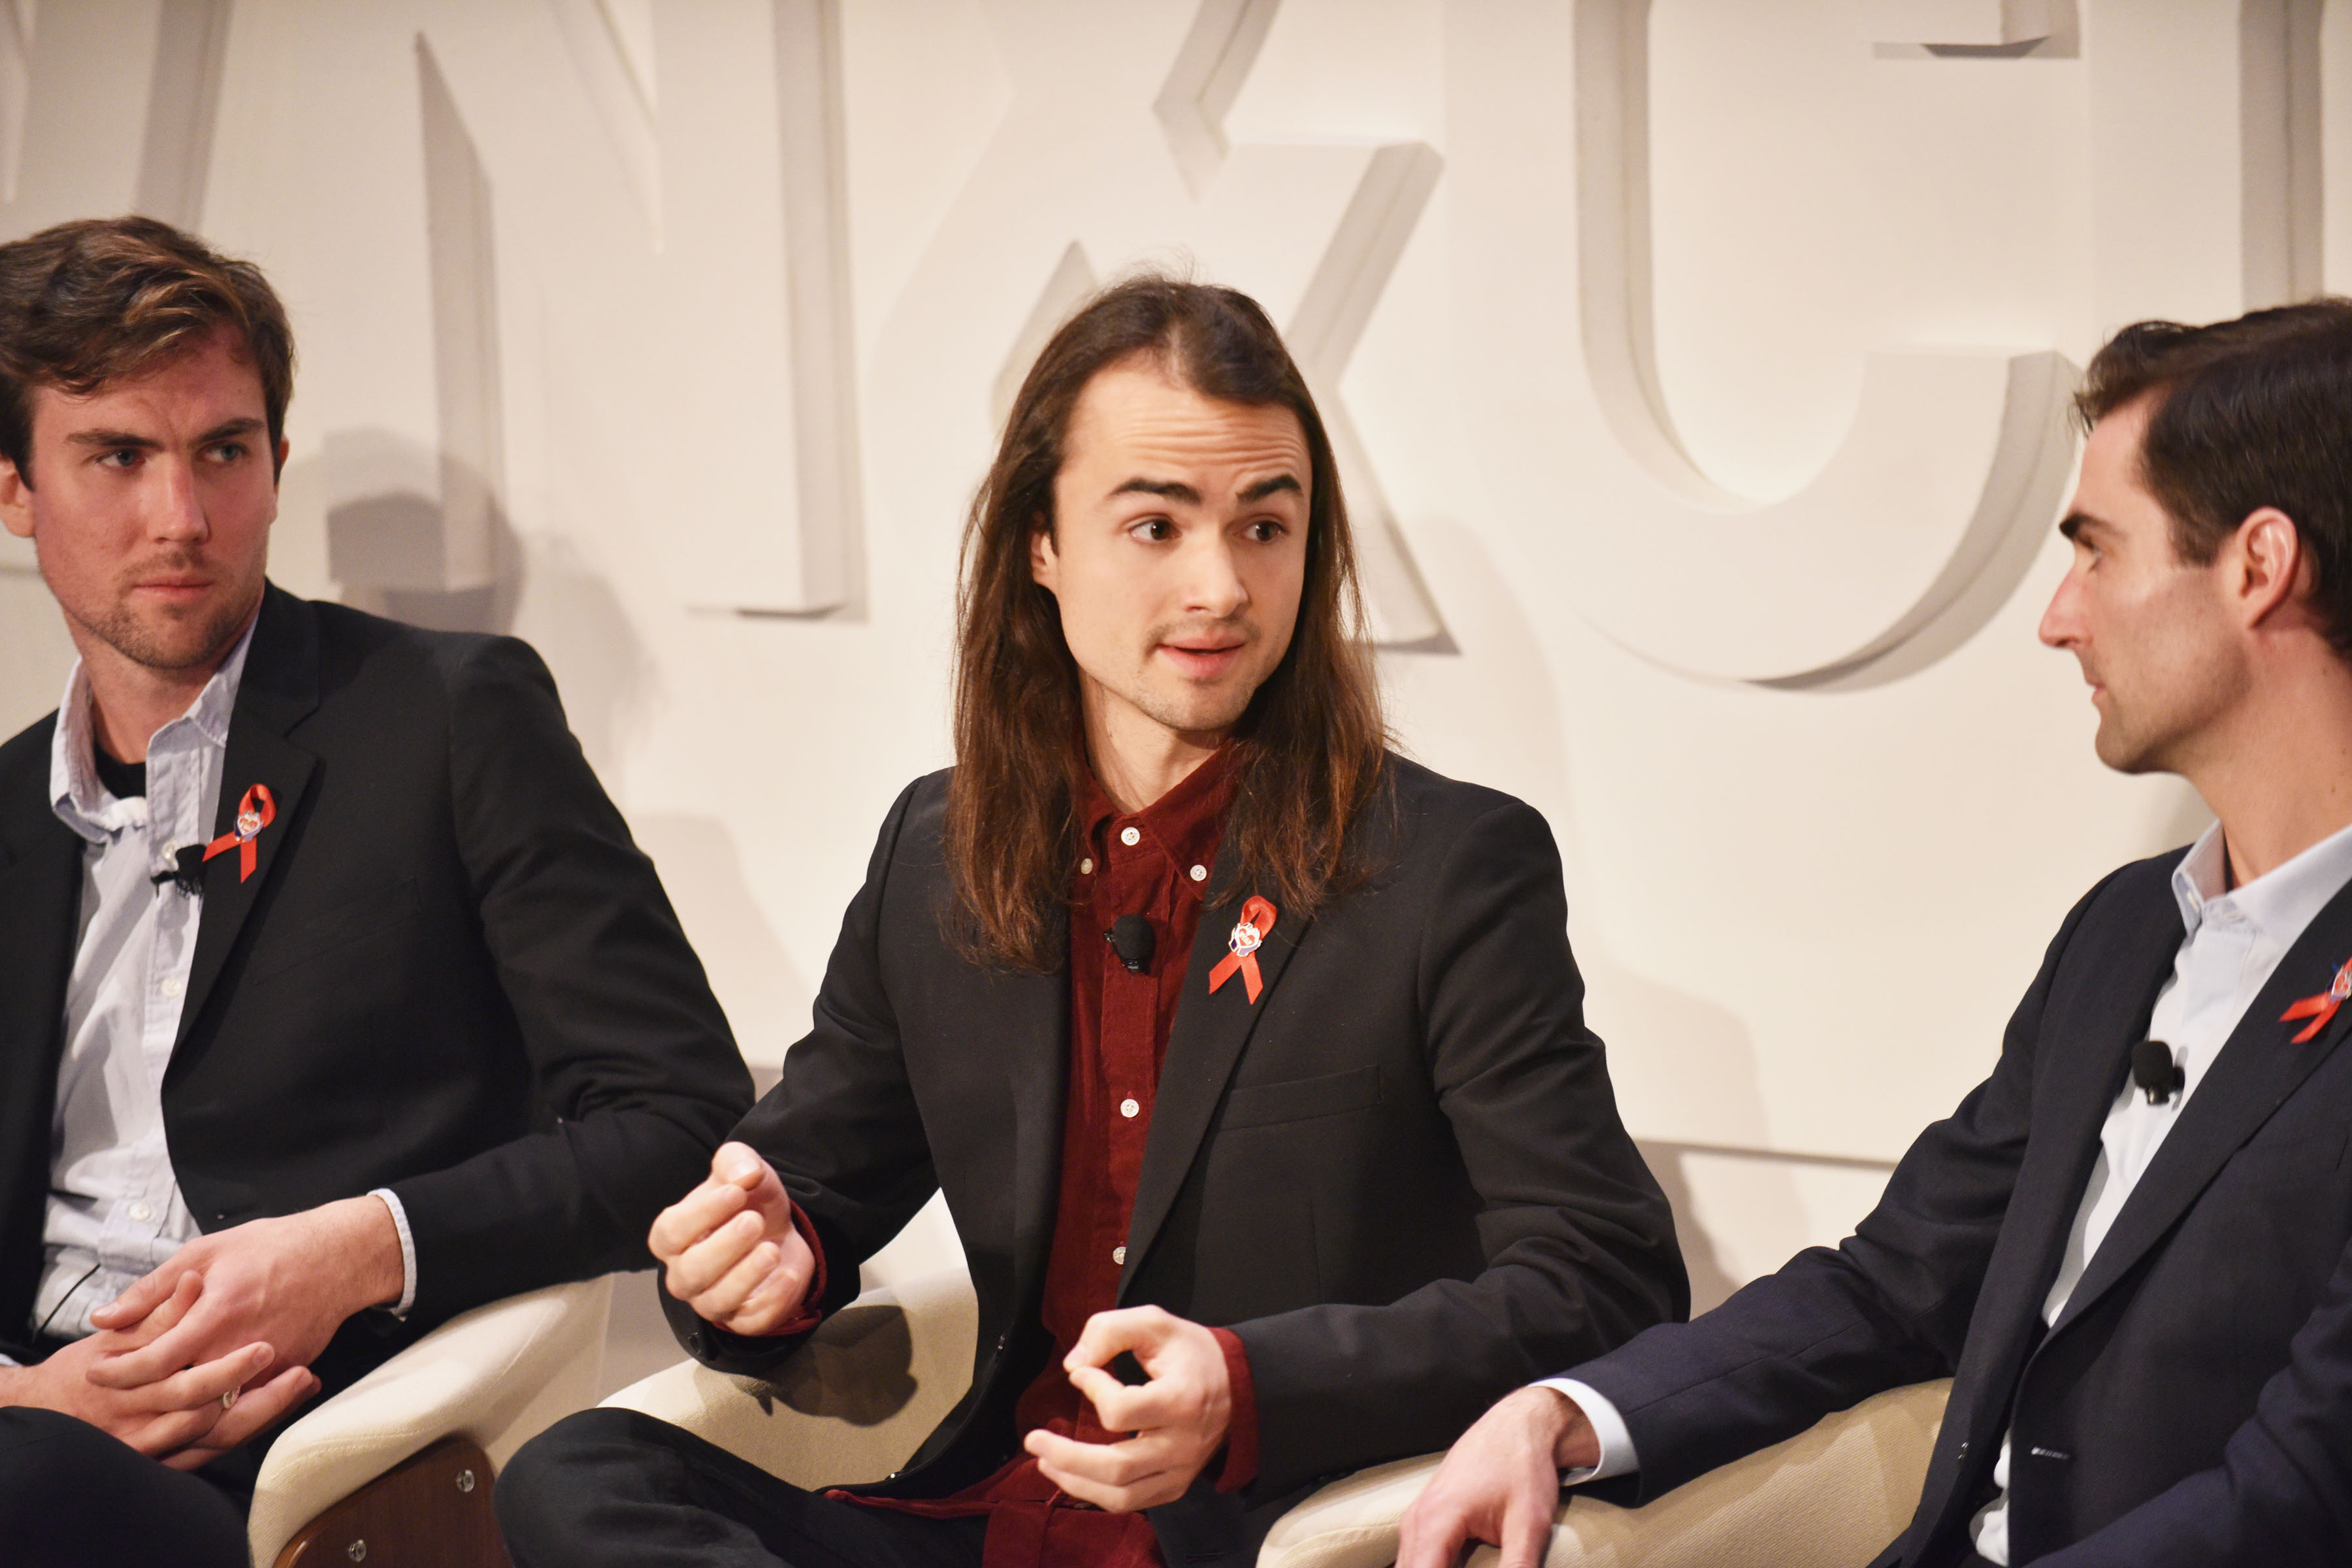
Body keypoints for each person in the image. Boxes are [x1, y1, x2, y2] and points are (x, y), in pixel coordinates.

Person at [495, 276, 1688, 1568]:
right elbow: (807, 1193)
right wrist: (752, 1271)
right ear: (1042, 547)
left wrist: (1248, 1383)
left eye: (1265, 527)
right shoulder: (938, 853)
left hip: (1250, 1534)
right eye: (1157, 527)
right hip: (990, 1511)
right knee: (576, 1473)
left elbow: (1603, 1273)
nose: (1223, 588)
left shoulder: (1447, 867)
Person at [1399, 298, 2352, 1568]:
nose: (2058, 617)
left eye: (2097, 553)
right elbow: (1896, 1279)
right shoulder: (2124, 934)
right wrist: (1566, 1412)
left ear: (2258, 564)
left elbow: (2296, 1499)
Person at [0, 216, 753, 1565]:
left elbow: (684, 1118)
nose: (182, 517)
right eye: (118, 455)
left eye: (223, 452)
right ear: (13, 490)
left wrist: (354, 1252)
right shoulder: (0, 812)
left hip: (285, 1452)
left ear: (276, 468)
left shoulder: (450, 717)